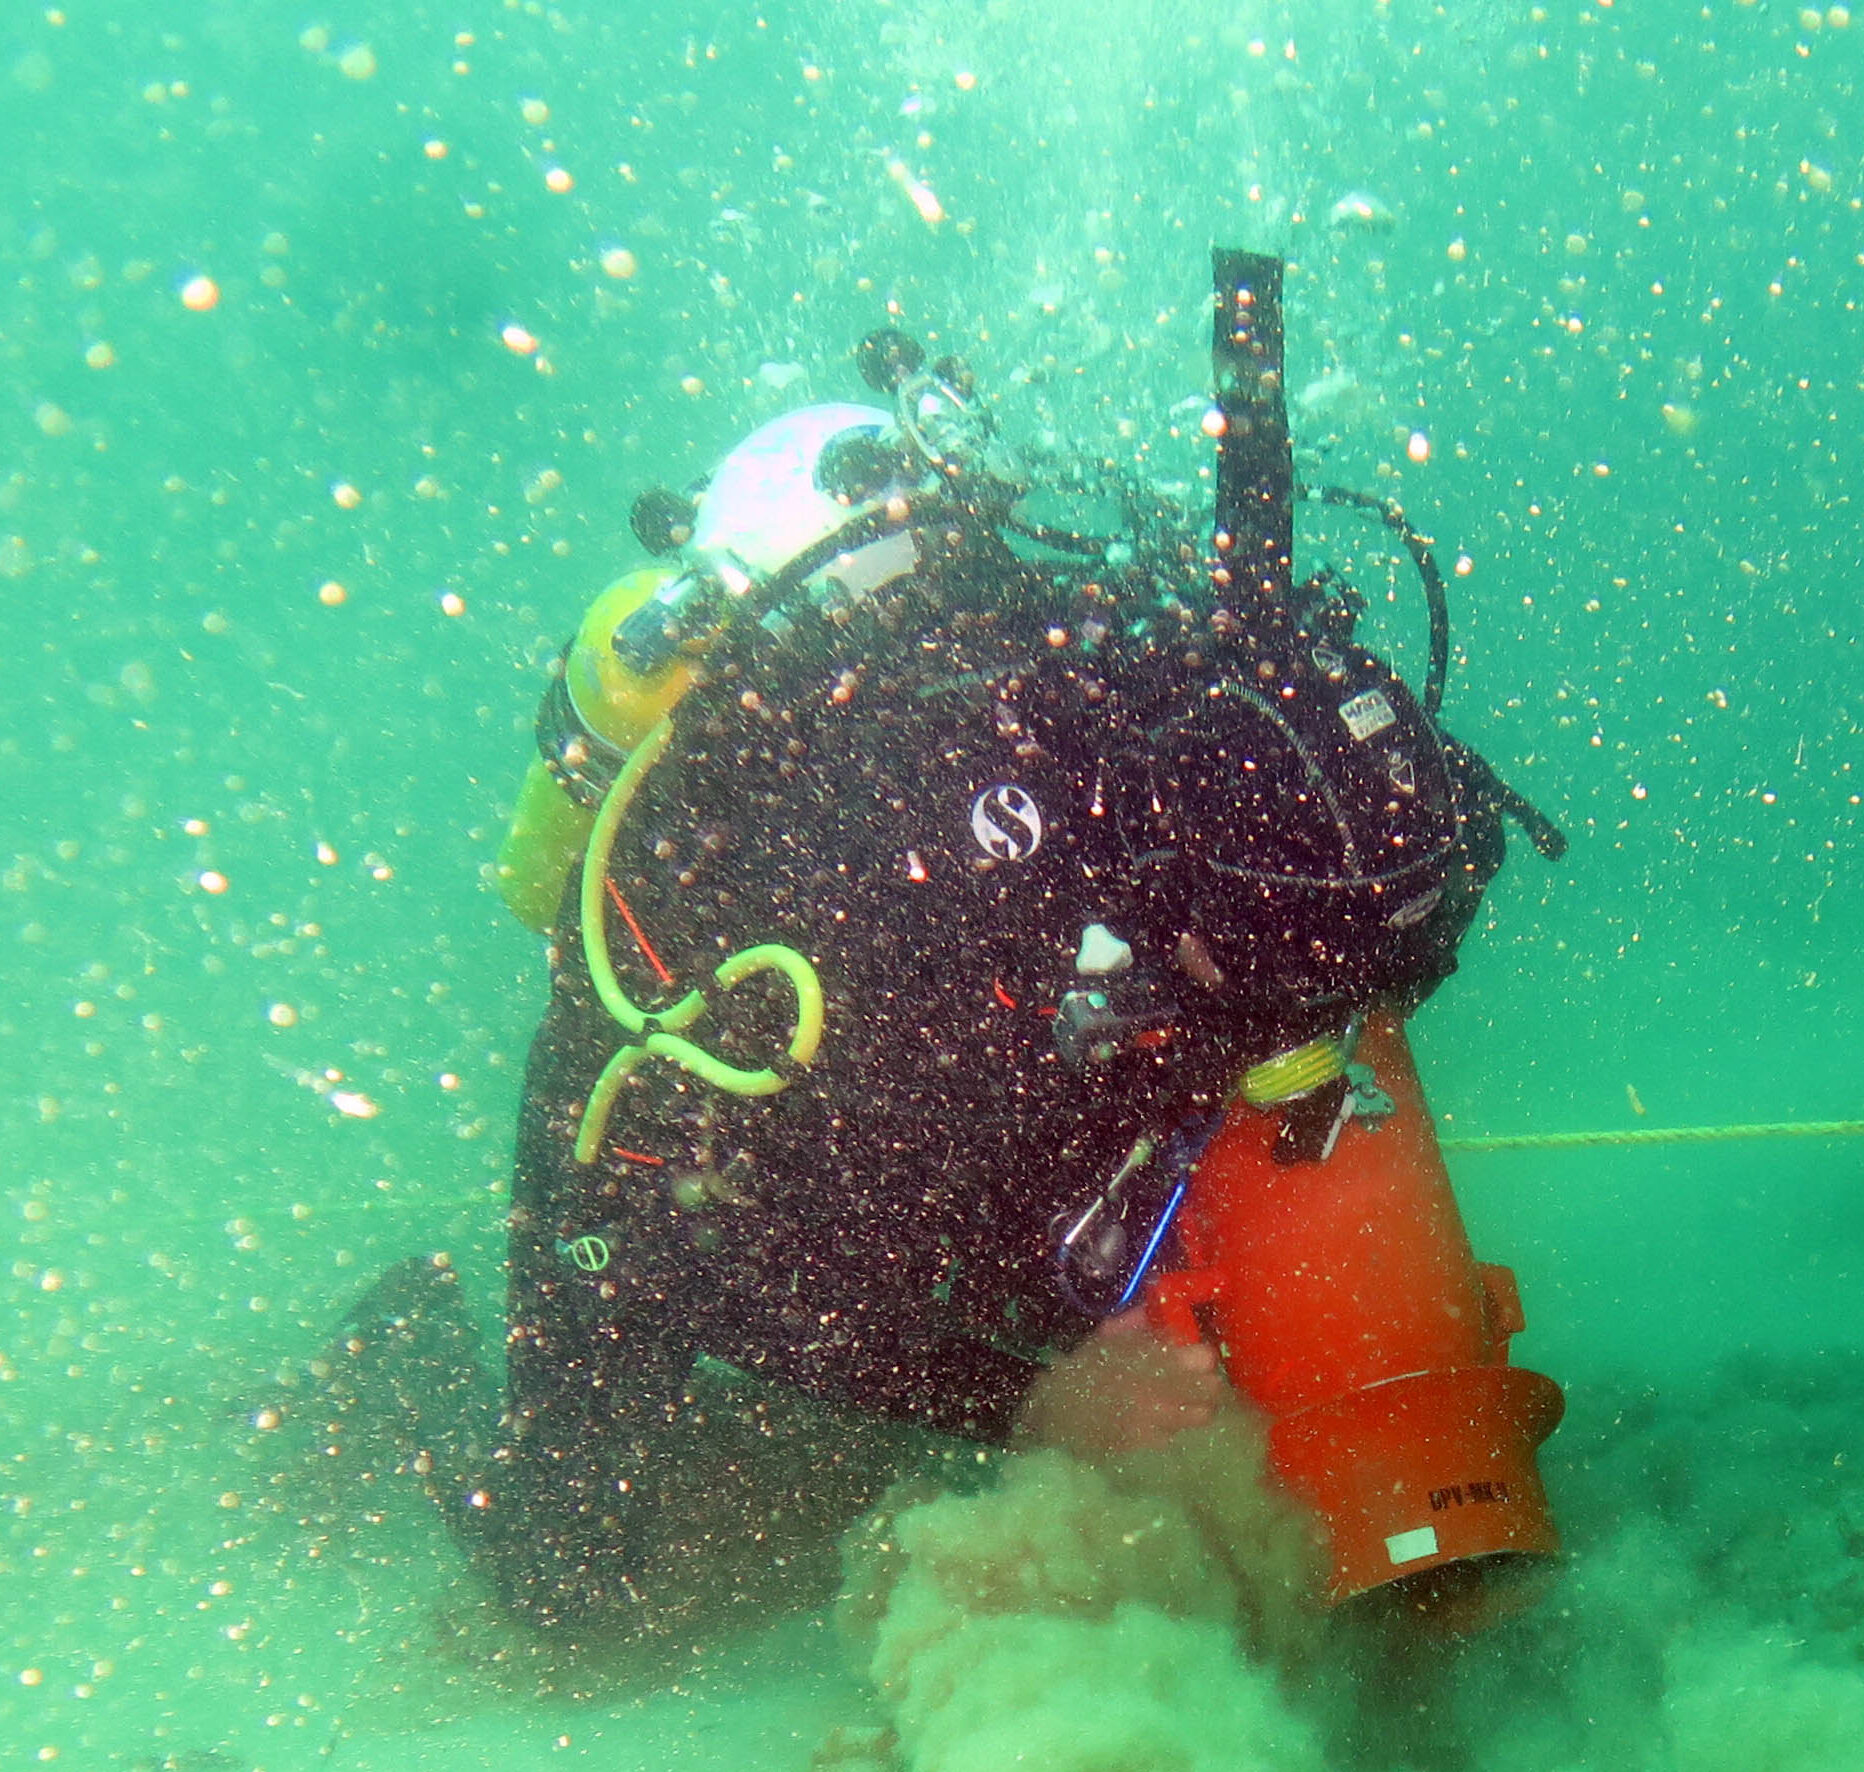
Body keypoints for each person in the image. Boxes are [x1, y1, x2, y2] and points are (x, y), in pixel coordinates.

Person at [358, 256, 1558, 1627]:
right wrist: (1028, 1400)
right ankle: (399, 1362)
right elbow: (681, 1248)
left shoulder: (1104, 674)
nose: (951, 676)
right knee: (563, 1583)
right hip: (686, 1182)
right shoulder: (730, 853)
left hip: (994, 1173)